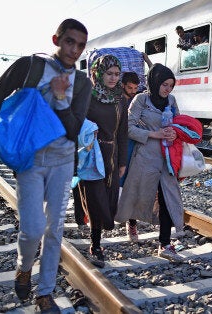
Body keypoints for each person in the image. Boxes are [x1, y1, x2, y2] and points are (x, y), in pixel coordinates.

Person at [0, 18, 91, 313]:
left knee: (54, 229)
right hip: (30, 159)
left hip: (63, 160)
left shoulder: (82, 83)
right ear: (56, 40)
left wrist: (60, 98)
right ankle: (24, 267)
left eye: (81, 45)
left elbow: (73, 129)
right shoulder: (30, 66)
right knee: (32, 229)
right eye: (70, 42)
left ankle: (45, 293)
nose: (75, 50)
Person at [115, 63, 183, 262]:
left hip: (167, 158)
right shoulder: (141, 100)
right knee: (137, 193)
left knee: (168, 198)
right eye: (164, 85)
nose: (167, 89)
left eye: (171, 86)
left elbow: (178, 123)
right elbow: (127, 127)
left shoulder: (171, 101)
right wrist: (154, 134)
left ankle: (165, 244)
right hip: (145, 155)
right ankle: (132, 222)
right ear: (155, 82)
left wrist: (175, 132)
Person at [74, 54, 128, 268]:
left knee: (109, 202)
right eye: (109, 73)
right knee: (96, 201)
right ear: (98, 73)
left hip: (112, 156)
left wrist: (123, 161)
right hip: (90, 156)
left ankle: (96, 236)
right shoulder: (87, 97)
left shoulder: (120, 99)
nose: (113, 78)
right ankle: (95, 245)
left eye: (116, 74)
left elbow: (123, 132)